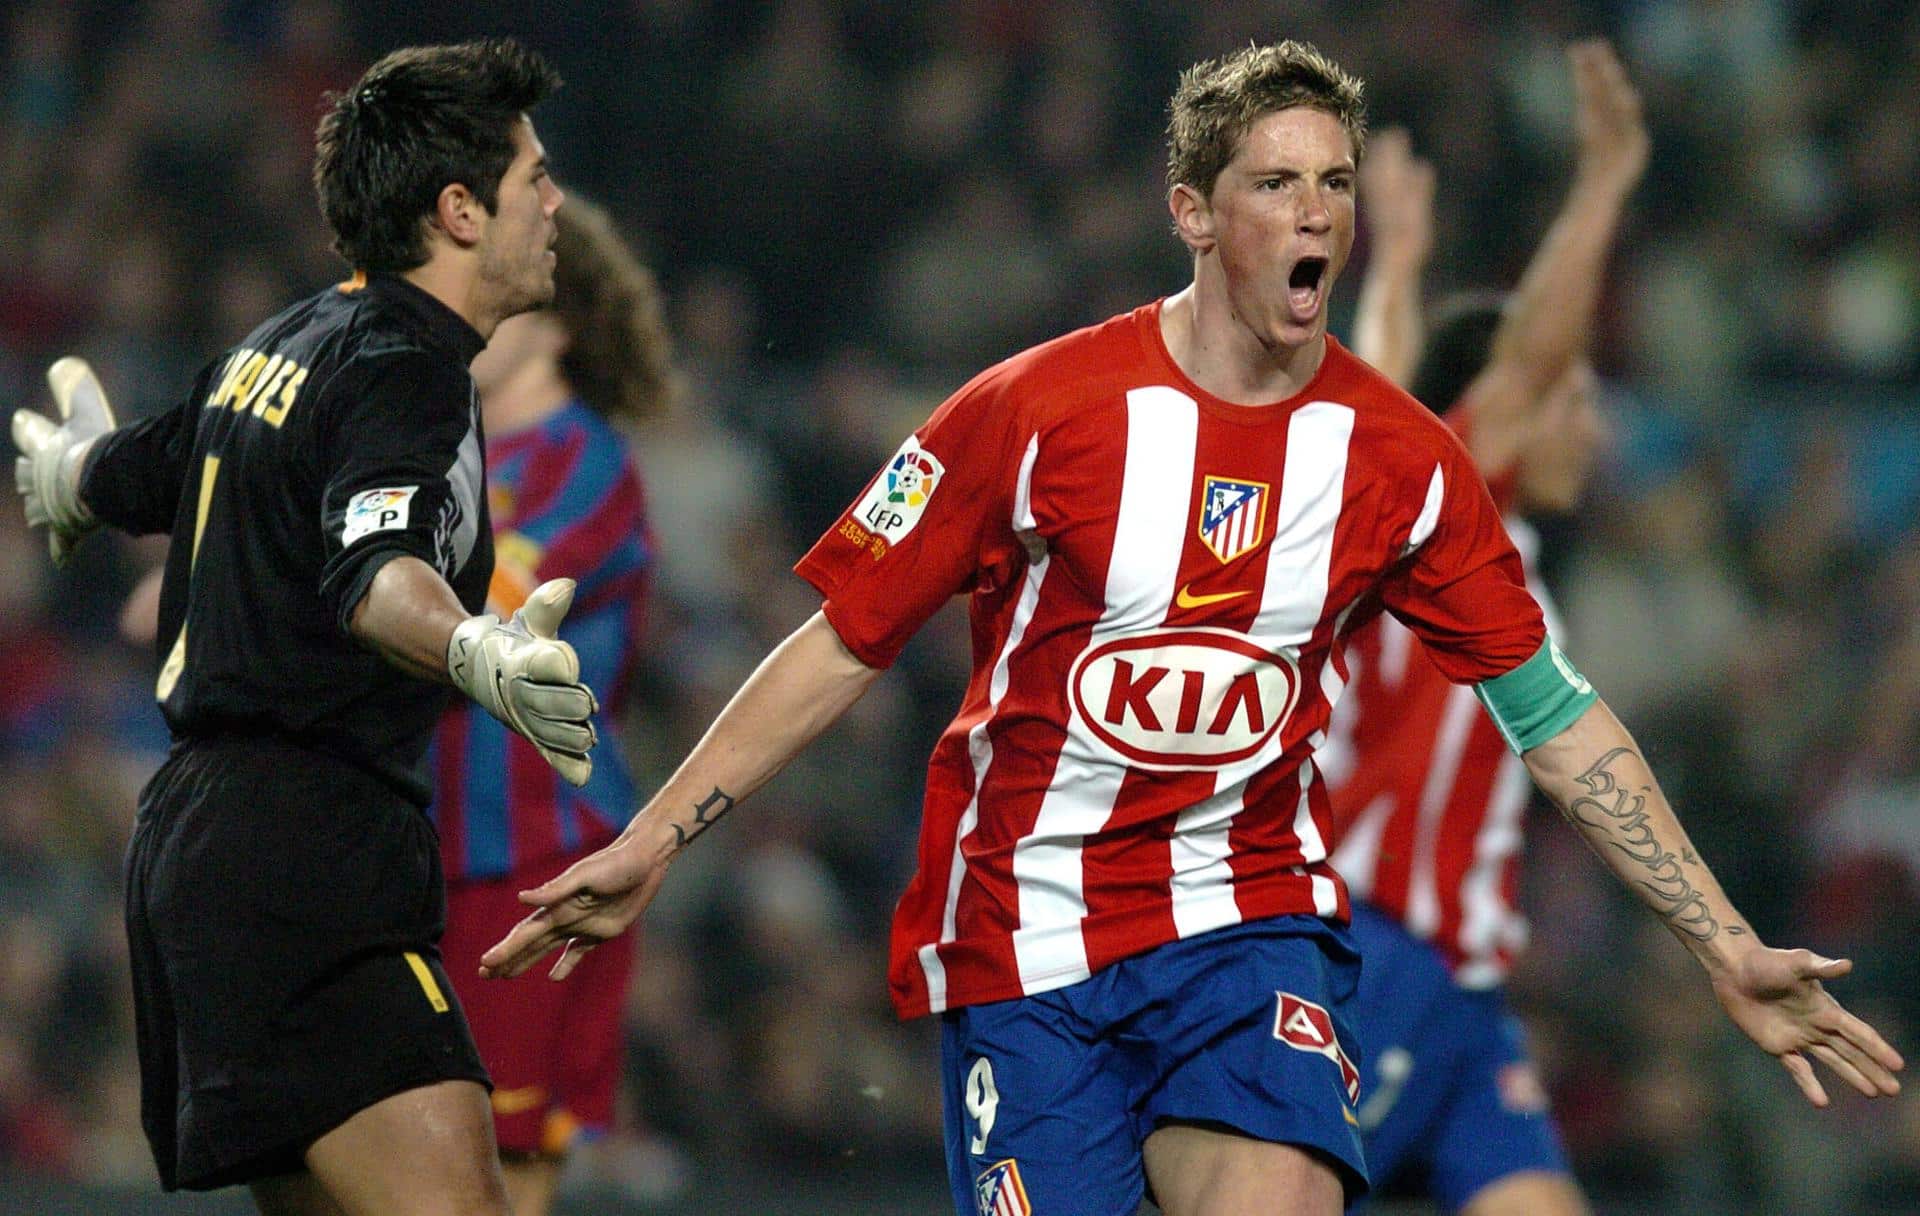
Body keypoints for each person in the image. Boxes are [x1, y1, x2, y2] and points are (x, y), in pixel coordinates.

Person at [479, 39, 1902, 1216]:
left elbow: (1557, 715)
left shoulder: (1397, 461)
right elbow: (844, 642)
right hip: (1026, 941)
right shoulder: (1030, 410)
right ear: (1194, 210)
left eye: (1333, 183)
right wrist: (653, 840)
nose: (1316, 213)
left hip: (1247, 926)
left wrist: (1723, 941)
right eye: (1276, 182)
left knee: (1282, 1195)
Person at [10, 38, 598, 1216]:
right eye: (534, 175)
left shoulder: (281, 343)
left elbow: (140, 472)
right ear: (459, 211)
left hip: (195, 846)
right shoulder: (411, 370)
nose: (555, 200)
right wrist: (478, 649)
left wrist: (70, 471)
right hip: (308, 854)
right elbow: (375, 573)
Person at [1323, 40, 1644, 1216]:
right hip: (1378, 951)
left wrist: (1400, 265)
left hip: (1464, 986)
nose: (1591, 428)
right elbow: (1496, 371)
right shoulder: (1452, 526)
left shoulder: (1494, 558)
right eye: (1576, 399)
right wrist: (1605, 181)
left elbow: (1382, 388)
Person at [431, 194, 670, 1216]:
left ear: (560, 324)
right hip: (425, 844)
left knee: (506, 1153)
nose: (468, 326)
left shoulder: (586, 461)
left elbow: (489, 595)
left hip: (536, 853)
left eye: (499, 308)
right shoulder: (444, 450)